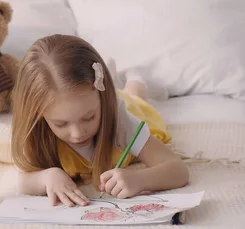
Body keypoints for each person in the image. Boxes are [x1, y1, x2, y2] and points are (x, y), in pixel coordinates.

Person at [10, 34, 188, 207]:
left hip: (129, 107)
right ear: (38, 113)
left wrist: (139, 180)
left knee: (136, 99)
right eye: (61, 124)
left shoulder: (120, 120)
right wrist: (47, 177)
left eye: (89, 117)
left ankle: (137, 80)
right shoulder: (34, 126)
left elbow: (178, 170)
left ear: (103, 99)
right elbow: (23, 180)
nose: (78, 134)